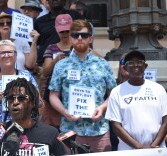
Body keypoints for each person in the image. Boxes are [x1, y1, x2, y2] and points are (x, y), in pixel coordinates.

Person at [48, 19, 117, 153]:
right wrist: (65, 112)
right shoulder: (61, 65)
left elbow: (113, 93)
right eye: (75, 35)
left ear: (90, 38)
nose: (80, 38)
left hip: (99, 130)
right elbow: (53, 95)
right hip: (70, 131)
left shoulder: (103, 64)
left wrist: (102, 108)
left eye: (84, 35)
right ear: (70, 38)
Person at [0, 40, 38, 147]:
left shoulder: (26, 76)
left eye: (10, 52)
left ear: (15, 56)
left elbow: (39, 104)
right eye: (2, 53)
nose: (6, 55)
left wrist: (27, 98)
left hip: (22, 130)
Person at [105, 50, 167, 150]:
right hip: (129, 150)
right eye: (131, 63)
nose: (135, 65)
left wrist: (153, 146)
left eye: (139, 62)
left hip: (157, 150)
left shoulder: (158, 89)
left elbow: (165, 121)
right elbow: (116, 126)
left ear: (145, 66)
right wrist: (139, 147)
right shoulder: (116, 92)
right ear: (125, 68)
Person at [0, 77, 66, 155]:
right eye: (10, 98)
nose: (15, 102)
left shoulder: (50, 133)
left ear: (32, 103)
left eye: (21, 98)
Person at [41, 14, 73, 130]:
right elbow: (45, 72)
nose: (64, 34)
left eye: (67, 31)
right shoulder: (51, 48)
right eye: (61, 31)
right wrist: (55, 61)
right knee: (52, 128)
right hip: (54, 95)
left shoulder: (79, 47)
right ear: (56, 30)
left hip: (72, 94)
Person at [34, 0, 84, 66]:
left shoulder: (75, 15)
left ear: (64, 1)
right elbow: (34, 44)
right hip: (45, 65)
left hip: (73, 63)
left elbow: (85, 34)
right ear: (48, 2)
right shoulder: (39, 22)